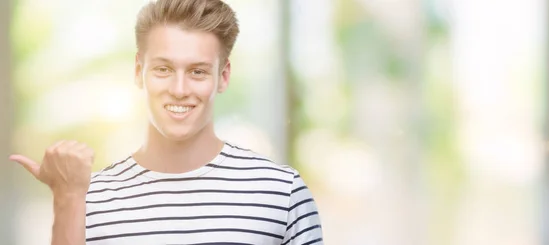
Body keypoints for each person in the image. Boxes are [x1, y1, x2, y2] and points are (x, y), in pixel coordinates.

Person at [9, 0, 324, 244]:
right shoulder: (90, 198)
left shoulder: (281, 193)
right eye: (163, 69)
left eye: (198, 71)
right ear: (138, 71)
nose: (180, 89)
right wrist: (68, 198)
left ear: (223, 76)